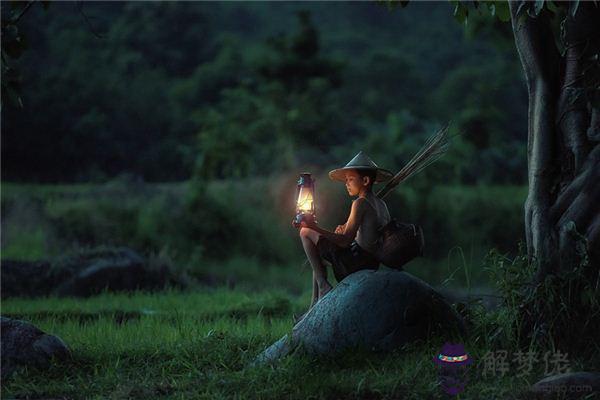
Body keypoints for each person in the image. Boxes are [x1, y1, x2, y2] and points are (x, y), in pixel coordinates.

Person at [295, 151, 393, 319]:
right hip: (370, 262)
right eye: (346, 180)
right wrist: (345, 228)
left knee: (305, 231)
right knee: (317, 260)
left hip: (355, 262)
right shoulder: (381, 204)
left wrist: (314, 227)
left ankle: (323, 286)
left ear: (366, 181)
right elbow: (367, 237)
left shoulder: (360, 203)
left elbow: (345, 241)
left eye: (350, 179)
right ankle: (314, 305)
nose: (346, 184)